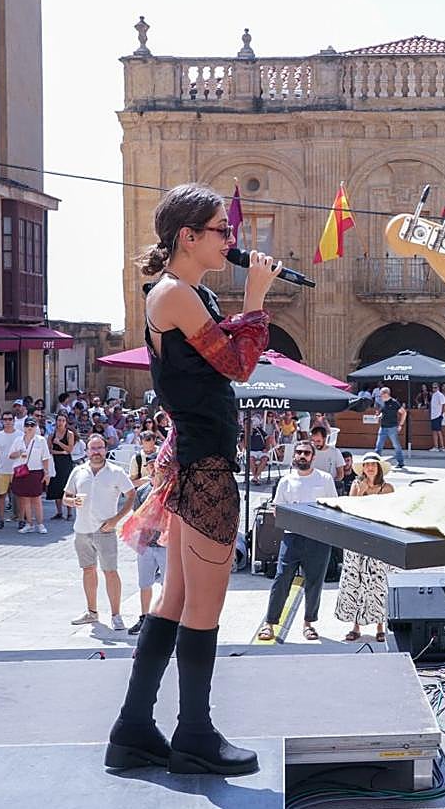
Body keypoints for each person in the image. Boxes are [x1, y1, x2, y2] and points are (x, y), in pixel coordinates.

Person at [106, 183, 278, 777]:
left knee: (177, 601)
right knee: (205, 608)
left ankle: (132, 729)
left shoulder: (187, 293)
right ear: (188, 237)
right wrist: (256, 297)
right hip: (205, 466)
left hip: (194, 460)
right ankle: (195, 736)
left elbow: (221, 354)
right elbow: (236, 364)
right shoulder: (176, 294)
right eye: (221, 231)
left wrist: (241, 309)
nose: (232, 241)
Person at [259, 439, 338, 643]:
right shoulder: (286, 481)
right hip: (292, 537)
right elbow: (277, 509)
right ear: (294, 456)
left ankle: (309, 624)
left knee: (314, 582)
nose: (302, 456)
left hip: (318, 538)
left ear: (313, 457)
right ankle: (270, 623)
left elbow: (334, 506)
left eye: (306, 453)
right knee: (281, 579)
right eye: (299, 452)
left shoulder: (325, 478)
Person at [64, 434, 135, 629]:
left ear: (106, 449)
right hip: (81, 530)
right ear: (87, 451)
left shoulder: (116, 471)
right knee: (88, 570)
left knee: (110, 572)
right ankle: (91, 612)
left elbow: (131, 495)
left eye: (100, 447)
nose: (97, 452)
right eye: (93, 448)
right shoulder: (78, 471)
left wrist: (116, 520)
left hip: (105, 530)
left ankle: (116, 615)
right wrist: (72, 501)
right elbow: (66, 497)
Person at [335, 451, 395, 642]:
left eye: (373, 465)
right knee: (356, 583)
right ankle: (356, 626)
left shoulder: (387, 488)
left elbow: (392, 513)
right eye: (367, 465)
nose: (370, 468)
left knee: (378, 584)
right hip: (357, 539)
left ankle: (380, 626)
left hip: (379, 538)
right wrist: (360, 493)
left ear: (378, 468)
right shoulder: (356, 485)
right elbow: (350, 511)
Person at [128, 453, 166, 637]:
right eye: (150, 466)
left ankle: (166, 619)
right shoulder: (142, 491)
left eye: (156, 465)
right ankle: (144, 617)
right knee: (144, 583)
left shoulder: (169, 489)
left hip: (165, 544)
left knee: (168, 584)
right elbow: (135, 515)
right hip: (146, 543)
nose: (153, 469)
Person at [10, 418, 51, 535]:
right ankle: (29, 524)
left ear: (36, 427)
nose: (29, 427)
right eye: (27, 425)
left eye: (32, 425)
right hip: (22, 472)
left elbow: (45, 457)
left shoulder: (41, 440)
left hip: (35, 472)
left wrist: (47, 473)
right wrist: (18, 453)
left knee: (37, 499)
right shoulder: (18, 440)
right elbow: (11, 455)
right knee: (25, 499)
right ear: (23, 427)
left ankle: (40, 524)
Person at [0, 411, 21, 530]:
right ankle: (0, 519)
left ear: (13, 420)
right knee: (1, 495)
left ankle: (21, 519)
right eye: (5, 419)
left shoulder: (20, 435)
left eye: (10, 419)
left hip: (17, 470)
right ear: (2, 421)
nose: (8, 422)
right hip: (2, 470)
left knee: (18, 495)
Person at [48, 412, 77, 521]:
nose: (60, 423)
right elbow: (49, 450)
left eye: (63, 421)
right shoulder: (52, 434)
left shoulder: (69, 434)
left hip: (66, 463)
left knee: (67, 486)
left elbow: (69, 450)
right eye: (59, 420)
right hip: (55, 462)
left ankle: (69, 512)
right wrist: (60, 452)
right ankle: (59, 512)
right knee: (56, 486)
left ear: (66, 422)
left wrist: (59, 443)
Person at [373, 387, 406, 469]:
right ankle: (376, 463)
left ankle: (400, 462)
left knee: (396, 445)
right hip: (383, 427)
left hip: (392, 427)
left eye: (381, 394)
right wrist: (378, 416)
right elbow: (382, 413)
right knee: (378, 446)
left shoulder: (394, 402)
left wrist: (401, 425)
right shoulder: (382, 403)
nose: (380, 396)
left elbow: (404, 412)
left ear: (386, 394)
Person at [429, 383, 445, 452]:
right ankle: (436, 446)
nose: (434, 389)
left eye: (435, 387)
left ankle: (442, 447)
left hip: (438, 415)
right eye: (433, 387)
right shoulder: (433, 395)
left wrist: (441, 414)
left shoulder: (440, 395)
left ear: (438, 388)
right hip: (433, 416)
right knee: (434, 431)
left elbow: (444, 404)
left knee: (438, 431)